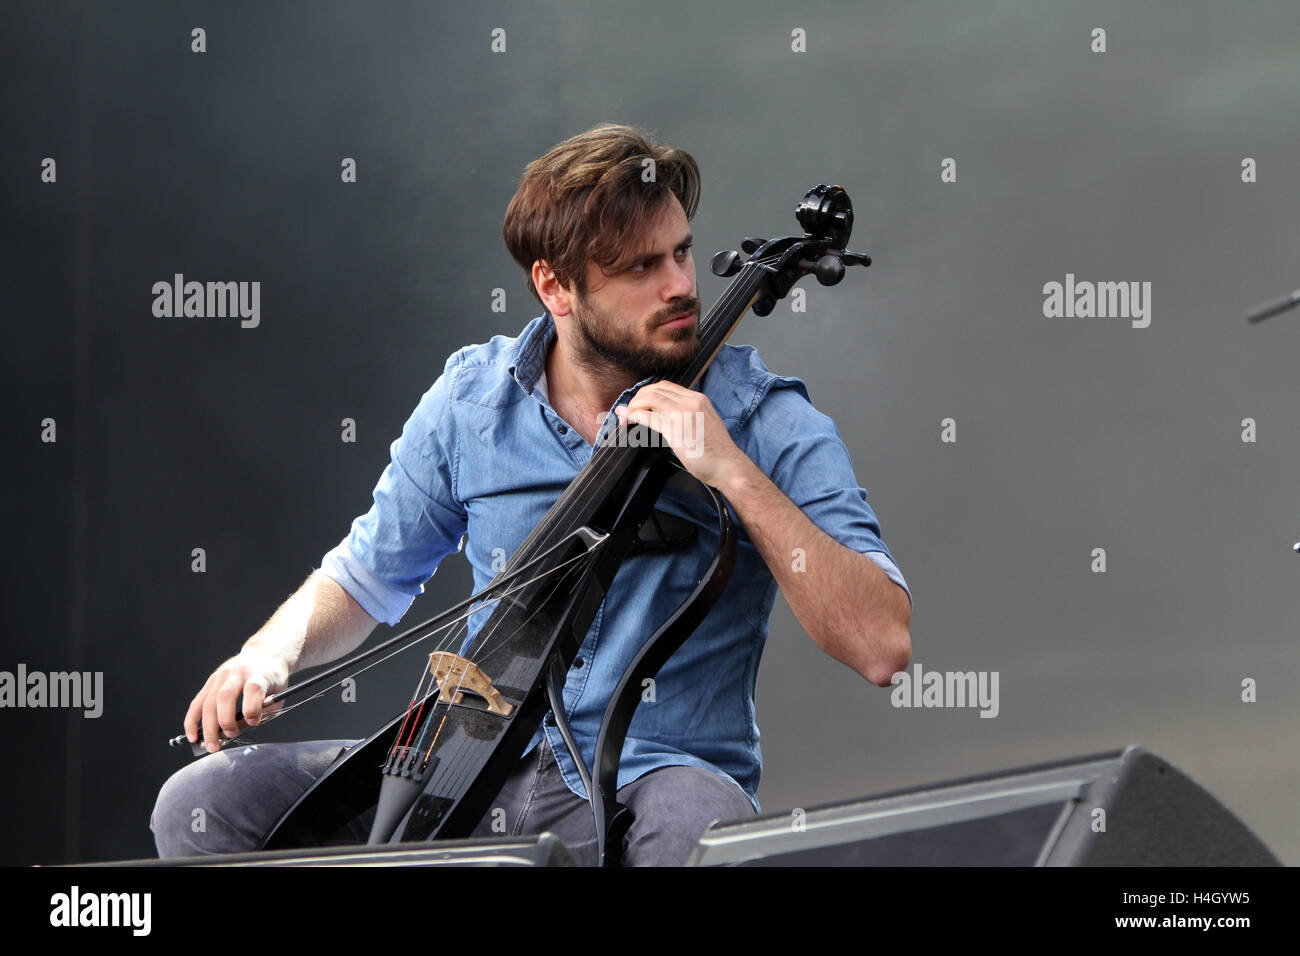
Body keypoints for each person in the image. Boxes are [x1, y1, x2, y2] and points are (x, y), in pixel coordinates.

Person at [151, 123, 912, 866]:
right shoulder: (473, 402)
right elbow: (366, 577)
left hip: (646, 778)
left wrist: (734, 474)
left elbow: (881, 645)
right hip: (465, 761)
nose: (681, 285)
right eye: (641, 267)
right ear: (555, 285)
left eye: (681, 251)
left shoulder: (766, 420)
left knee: (697, 830)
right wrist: (267, 655)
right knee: (206, 803)